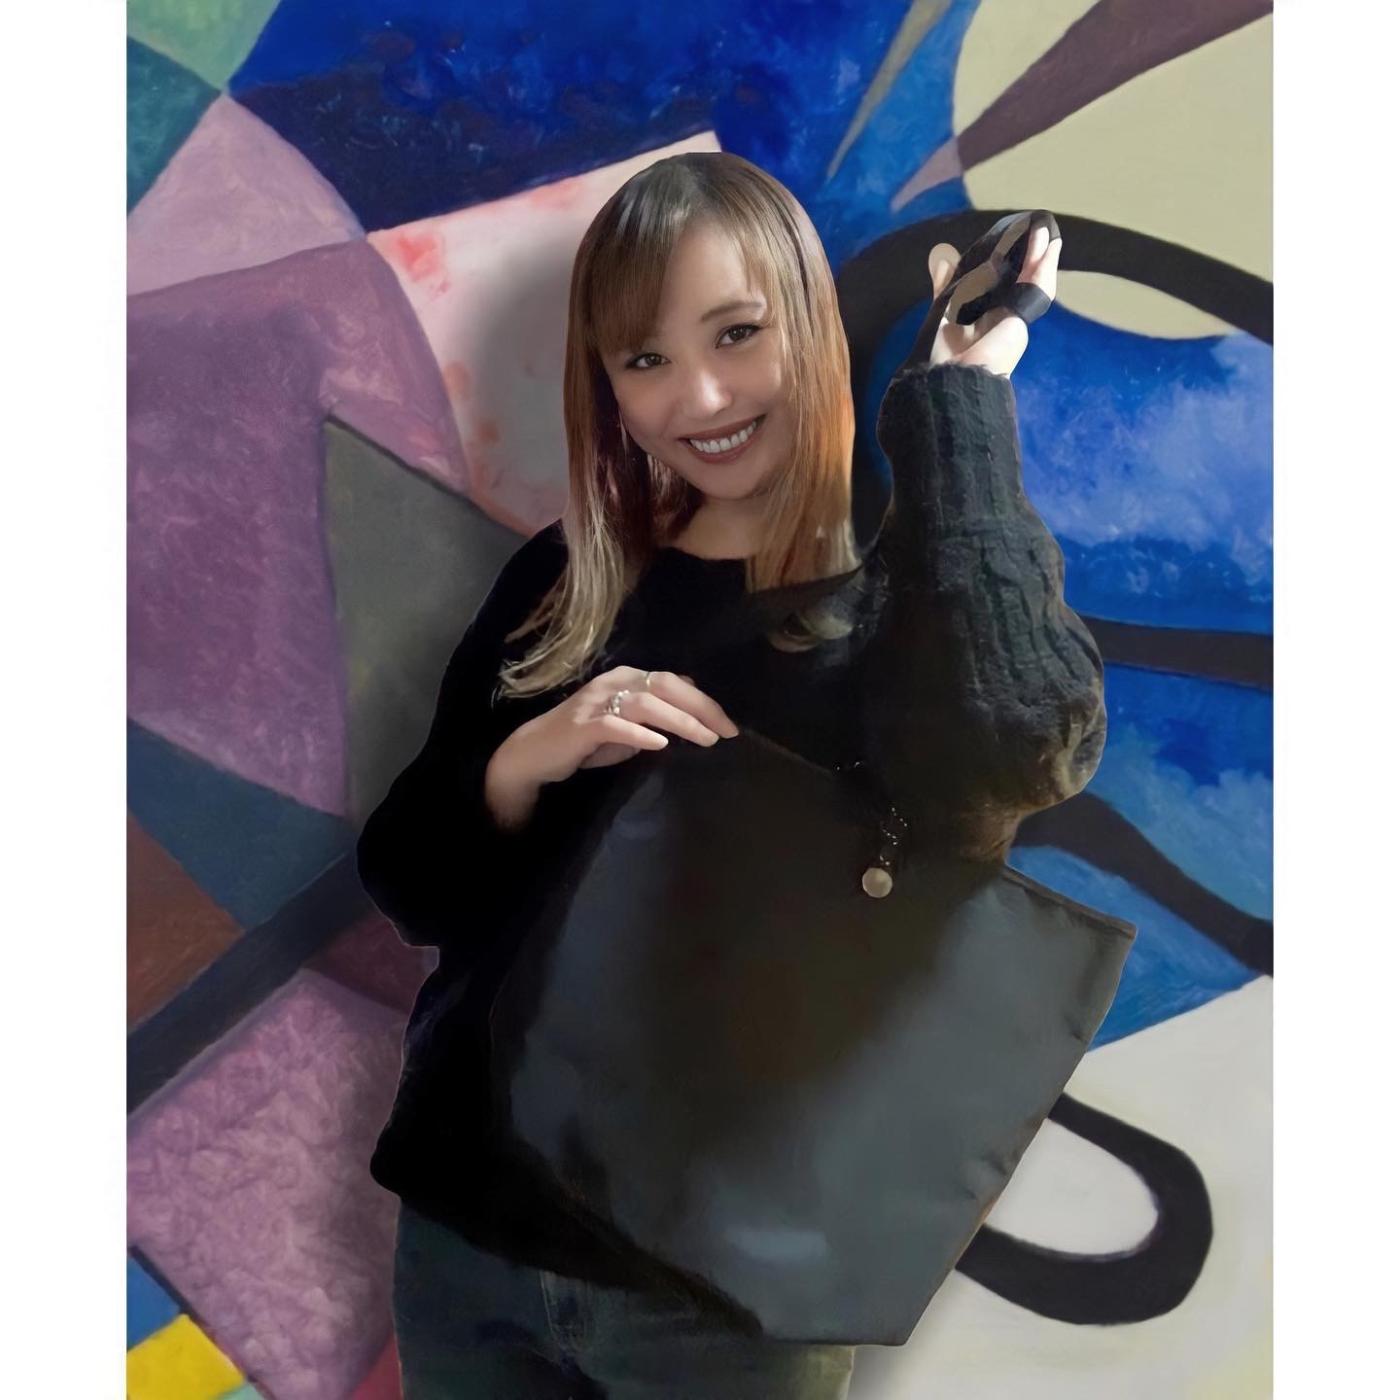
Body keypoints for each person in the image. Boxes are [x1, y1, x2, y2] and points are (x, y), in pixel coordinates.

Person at [356, 151, 1091, 1398]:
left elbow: (1026, 739)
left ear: (805, 321)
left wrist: (960, 404)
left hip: (722, 1297)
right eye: (643, 358)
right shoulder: (567, 579)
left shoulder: (904, 608)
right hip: (467, 1246)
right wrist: (527, 755)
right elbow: (410, 884)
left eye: (736, 333)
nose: (696, 394)